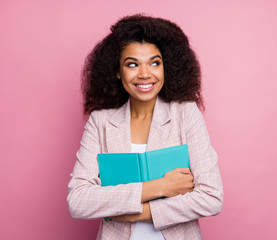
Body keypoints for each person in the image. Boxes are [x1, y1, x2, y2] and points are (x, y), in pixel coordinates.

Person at [67, 14, 223, 240]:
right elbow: (78, 201)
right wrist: (160, 187)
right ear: (118, 71)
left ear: (166, 67)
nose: (144, 74)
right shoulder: (100, 122)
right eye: (132, 64)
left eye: (155, 63)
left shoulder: (186, 114)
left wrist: (136, 213)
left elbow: (211, 197)